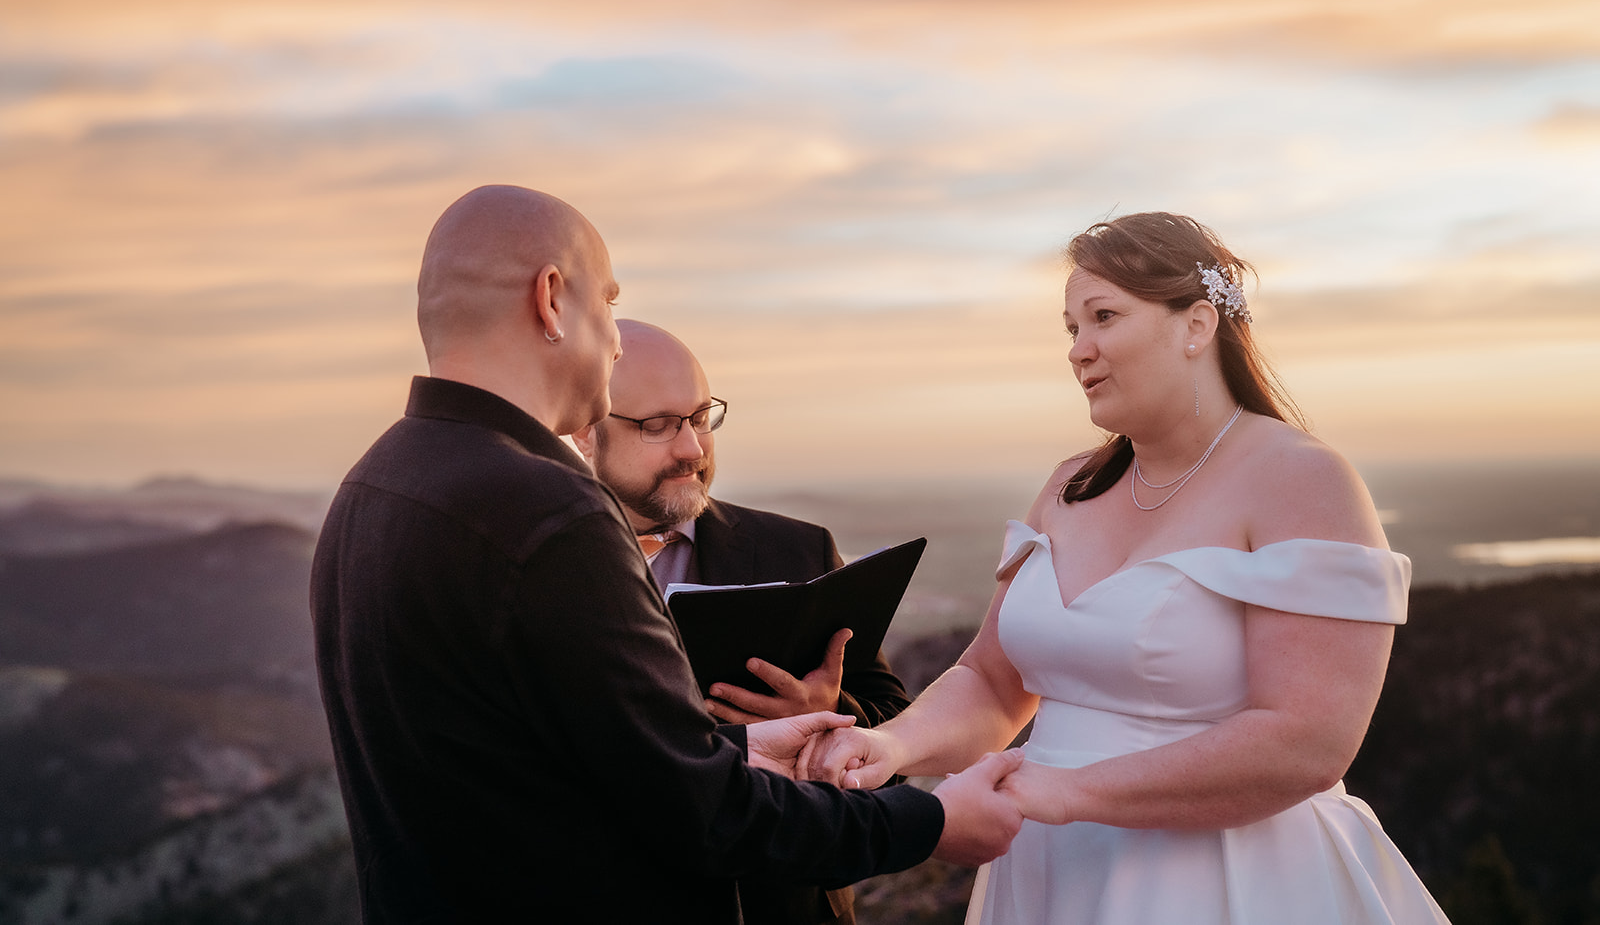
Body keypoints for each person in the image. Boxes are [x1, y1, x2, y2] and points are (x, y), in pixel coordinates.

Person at [310, 184, 1023, 924]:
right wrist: (931, 822)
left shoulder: (372, 487)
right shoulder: (548, 512)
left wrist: (742, 745)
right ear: (552, 299)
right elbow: (705, 813)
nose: (614, 338)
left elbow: (544, 765)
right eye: (609, 302)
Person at [806, 212, 1450, 924]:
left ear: (1197, 325)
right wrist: (890, 742)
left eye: (1104, 317)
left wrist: (1062, 790)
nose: (1080, 350)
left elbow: (1306, 742)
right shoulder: (1066, 486)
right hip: (1050, 868)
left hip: (1227, 877)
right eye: (1071, 328)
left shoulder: (1303, 479)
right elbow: (991, 681)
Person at [574, 319, 912, 925]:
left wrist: (829, 716)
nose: (693, 449)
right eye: (658, 425)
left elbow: (898, 735)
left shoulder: (798, 550)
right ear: (582, 432)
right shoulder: (537, 570)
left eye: (701, 418)